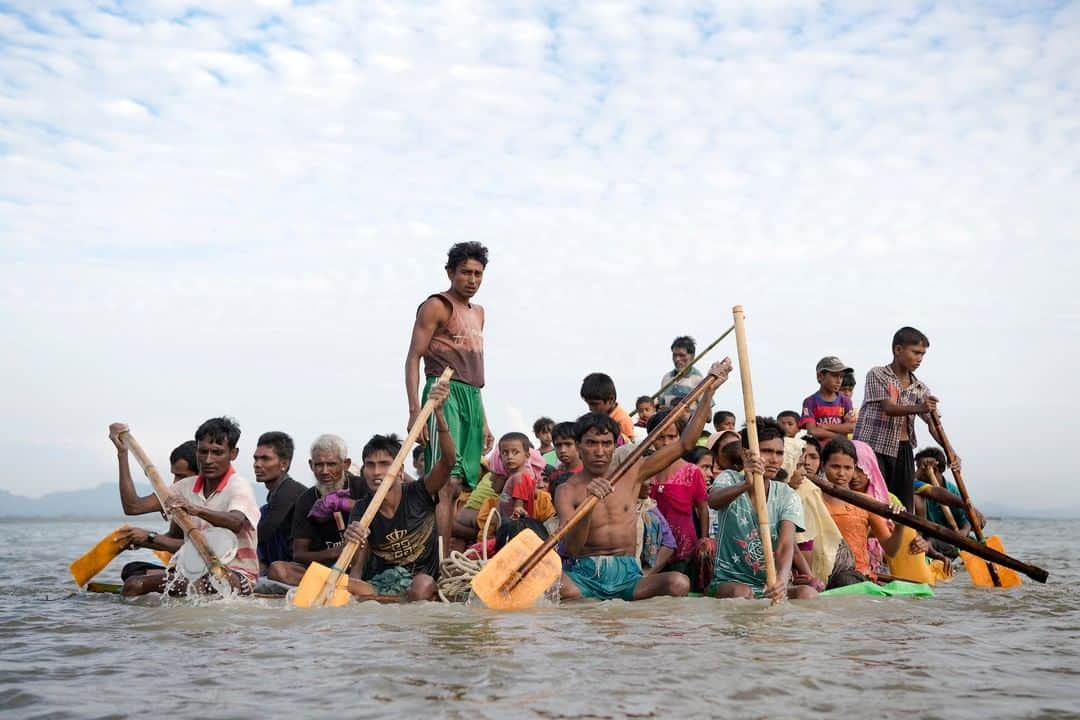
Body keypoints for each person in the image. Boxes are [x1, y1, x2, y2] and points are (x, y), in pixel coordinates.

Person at [556, 359, 732, 602]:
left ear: (614, 446)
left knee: (678, 583)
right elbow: (573, 548)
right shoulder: (567, 490)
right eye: (591, 443)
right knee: (552, 587)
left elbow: (685, 444)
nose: (599, 451)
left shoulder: (632, 472)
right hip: (584, 574)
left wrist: (709, 390)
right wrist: (589, 504)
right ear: (579, 447)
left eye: (606, 444)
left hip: (628, 574)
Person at [405, 242, 493, 563]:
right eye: (466, 272)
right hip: (443, 393)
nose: (472, 279)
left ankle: (444, 554)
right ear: (450, 273)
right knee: (445, 481)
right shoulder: (437, 306)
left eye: (478, 274)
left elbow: (475, 373)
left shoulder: (479, 313)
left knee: (461, 486)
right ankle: (439, 561)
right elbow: (413, 356)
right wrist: (415, 409)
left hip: (472, 395)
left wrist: (483, 420)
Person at [122, 417, 261, 596]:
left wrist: (195, 509)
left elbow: (235, 521)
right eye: (203, 452)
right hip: (194, 572)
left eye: (217, 452)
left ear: (233, 454)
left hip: (237, 575)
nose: (208, 460)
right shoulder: (185, 486)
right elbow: (134, 506)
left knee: (201, 586)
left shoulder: (239, 486)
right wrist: (122, 453)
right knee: (135, 584)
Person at [344, 381, 455, 602]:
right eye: (370, 465)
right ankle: (389, 599)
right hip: (381, 581)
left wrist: (440, 415)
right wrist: (351, 539)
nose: (377, 472)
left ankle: (389, 600)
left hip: (421, 582)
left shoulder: (418, 491)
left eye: (385, 464)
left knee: (422, 585)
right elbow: (356, 568)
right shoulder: (362, 508)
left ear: (400, 469)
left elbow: (449, 461)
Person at [706, 417, 816, 601]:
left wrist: (780, 581)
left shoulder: (787, 495)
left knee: (808, 594)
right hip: (728, 582)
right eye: (766, 451)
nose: (774, 459)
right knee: (741, 594)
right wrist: (746, 485)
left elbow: (786, 545)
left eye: (779, 453)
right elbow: (713, 501)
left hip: (768, 585)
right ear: (746, 454)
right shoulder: (730, 479)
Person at [853, 326, 954, 511]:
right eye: (915, 352)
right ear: (898, 350)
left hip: (903, 448)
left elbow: (933, 424)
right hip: (873, 447)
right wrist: (920, 407)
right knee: (876, 499)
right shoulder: (878, 375)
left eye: (923, 354)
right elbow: (888, 408)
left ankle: (902, 537)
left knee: (903, 504)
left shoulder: (920, 388)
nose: (919, 359)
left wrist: (950, 451)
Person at [266, 434, 369, 586]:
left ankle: (350, 584)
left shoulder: (362, 486)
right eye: (319, 465)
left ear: (345, 464)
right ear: (311, 465)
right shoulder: (306, 500)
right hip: (326, 570)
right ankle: (346, 586)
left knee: (362, 536)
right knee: (278, 569)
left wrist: (344, 503)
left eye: (331, 464)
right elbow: (299, 554)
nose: (325, 471)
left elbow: (381, 513)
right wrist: (335, 552)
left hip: (363, 566)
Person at [820, 438, 926, 579]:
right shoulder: (813, 497)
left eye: (847, 468)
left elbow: (890, 549)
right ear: (823, 466)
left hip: (859, 576)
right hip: (822, 575)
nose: (841, 473)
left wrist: (899, 527)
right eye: (835, 467)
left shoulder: (867, 502)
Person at [107, 428, 195, 592]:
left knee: (135, 582)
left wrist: (150, 537)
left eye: (182, 477)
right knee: (131, 570)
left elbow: (197, 547)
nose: (176, 482)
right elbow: (133, 506)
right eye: (174, 476)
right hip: (182, 566)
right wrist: (122, 454)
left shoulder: (208, 499)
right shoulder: (175, 494)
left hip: (202, 571)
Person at [644, 409, 713, 586]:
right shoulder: (642, 469)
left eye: (672, 437)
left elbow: (702, 507)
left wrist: (703, 540)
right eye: (660, 437)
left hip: (683, 545)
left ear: (680, 438)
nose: (666, 443)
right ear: (651, 438)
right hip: (649, 544)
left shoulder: (691, 471)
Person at [913, 446, 984, 555]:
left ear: (934, 470)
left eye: (919, 468)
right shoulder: (918, 489)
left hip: (951, 541)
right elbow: (908, 482)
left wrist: (963, 533)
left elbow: (966, 521)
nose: (917, 472)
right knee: (930, 541)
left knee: (972, 542)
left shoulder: (952, 491)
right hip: (930, 538)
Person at [253, 431, 307, 572]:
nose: (257, 464)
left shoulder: (289, 491)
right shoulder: (274, 494)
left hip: (300, 564)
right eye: (256, 458)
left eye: (265, 459)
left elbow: (262, 534)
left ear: (284, 464)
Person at [799, 356, 857, 444]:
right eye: (834, 376)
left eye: (841, 377)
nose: (839, 381)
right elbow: (813, 431)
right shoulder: (810, 402)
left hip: (840, 450)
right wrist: (839, 436)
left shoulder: (845, 401)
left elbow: (851, 427)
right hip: (818, 452)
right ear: (820, 376)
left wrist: (825, 426)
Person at [580, 372, 635, 444]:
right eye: (588, 404)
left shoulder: (622, 420)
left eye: (595, 404)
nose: (590, 408)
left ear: (611, 400)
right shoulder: (599, 418)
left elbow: (629, 444)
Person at [496, 432, 539, 520]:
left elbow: (518, 507)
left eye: (515, 452)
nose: (509, 456)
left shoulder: (519, 477)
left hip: (514, 525)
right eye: (505, 453)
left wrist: (516, 515)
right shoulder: (517, 476)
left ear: (527, 456)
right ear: (500, 457)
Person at [657, 336, 707, 410]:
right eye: (674, 355)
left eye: (682, 355)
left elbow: (707, 416)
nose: (677, 359)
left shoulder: (698, 380)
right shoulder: (667, 378)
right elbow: (659, 405)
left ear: (692, 357)